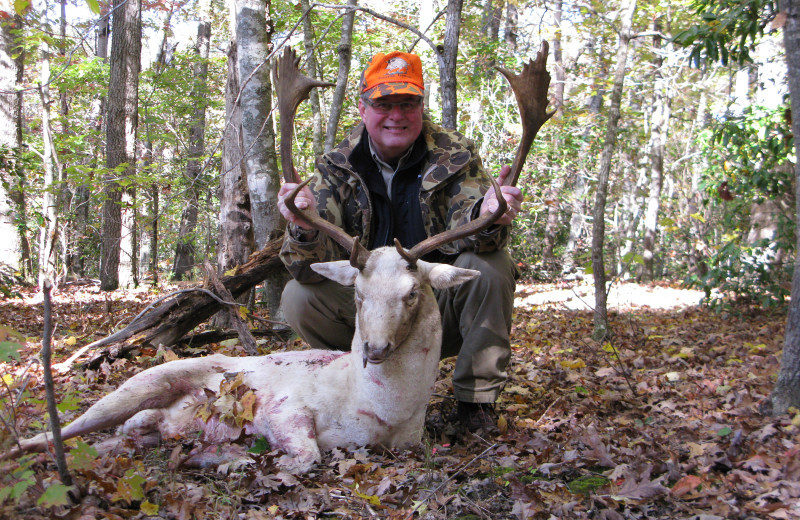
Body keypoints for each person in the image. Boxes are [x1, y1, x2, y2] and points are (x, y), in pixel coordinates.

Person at [277, 51, 522, 433]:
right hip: (368, 305)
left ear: (422, 107)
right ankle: (356, 389)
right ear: (363, 108)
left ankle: (476, 405)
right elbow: (305, 266)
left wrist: (487, 216)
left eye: (408, 103)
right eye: (383, 103)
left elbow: (473, 229)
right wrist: (303, 227)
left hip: (431, 301)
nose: (396, 115)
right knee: (299, 296)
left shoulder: (456, 157)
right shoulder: (335, 167)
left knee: (490, 269)